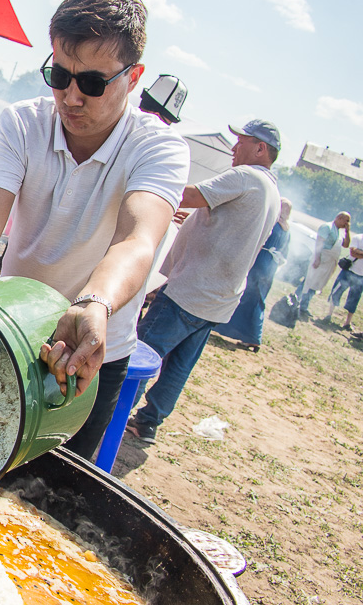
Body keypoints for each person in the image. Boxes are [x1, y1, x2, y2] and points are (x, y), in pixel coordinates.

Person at [0, 0, 190, 460]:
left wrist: (93, 304)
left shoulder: (158, 147)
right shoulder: (22, 124)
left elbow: (137, 240)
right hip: (12, 332)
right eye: (59, 75)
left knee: (50, 492)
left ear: (133, 77)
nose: (71, 97)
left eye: (92, 83)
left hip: (91, 350)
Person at [127, 119, 282, 444]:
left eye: (241, 141)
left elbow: (187, 194)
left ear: (260, 148)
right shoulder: (272, 192)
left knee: (140, 353)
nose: (234, 147)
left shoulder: (246, 176)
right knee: (179, 366)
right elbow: (231, 225)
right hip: (218, 298)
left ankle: (112, 412)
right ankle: (148, 423)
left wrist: (144, 184)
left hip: (190, 290)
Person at [213, 198, 292, 351]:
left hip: (260, 262)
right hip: (270, 266)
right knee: (257, 299)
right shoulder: (287, 230)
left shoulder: (274, 224)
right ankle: (250, 336)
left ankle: (250, 336)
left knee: (248, 297)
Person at [296, 211, 352, 317]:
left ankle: (304, 306)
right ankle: (296, 301)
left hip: (328, 262)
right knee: (309, 281)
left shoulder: (340, 232)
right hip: (321, 258)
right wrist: (317, 258)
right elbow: (319, 242)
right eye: (346, 221)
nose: (347, 223)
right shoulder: (327, 227)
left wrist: (347, 231)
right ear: (340, 218)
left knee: (316, 284)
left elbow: (346, 245)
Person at [325, 231, 363, 329]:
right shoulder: (358, 238)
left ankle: (347, 323)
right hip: (349, 271)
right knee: (336, 292)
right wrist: (357, 253)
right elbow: (353, 253)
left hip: (361, 276)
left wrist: (359, 252)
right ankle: (329, 315)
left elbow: (356, 253)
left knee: (354, 299)